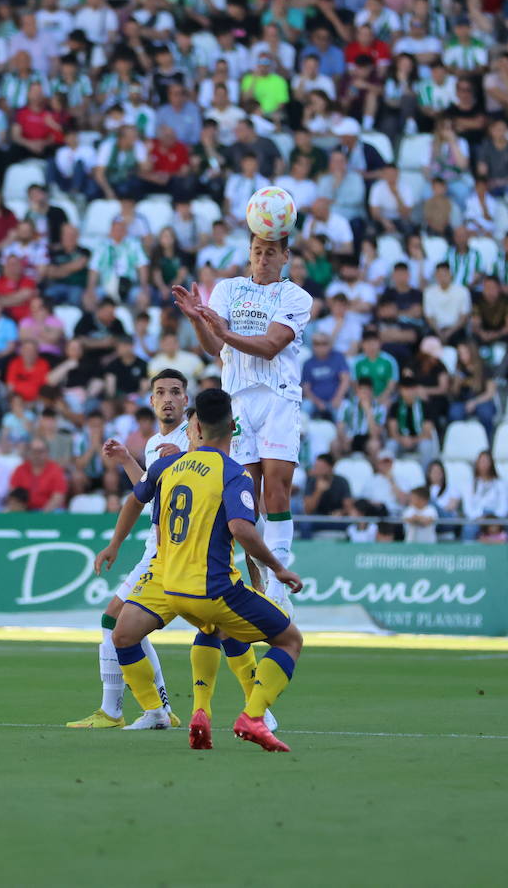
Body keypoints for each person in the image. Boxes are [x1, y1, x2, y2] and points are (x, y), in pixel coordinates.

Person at [95, 388, 304, 751]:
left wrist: (115, 543)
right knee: (287, 639)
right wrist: (278, 569)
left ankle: (196, 710)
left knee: (127, 633)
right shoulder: (235, 474)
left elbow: (136, 497)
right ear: (234, 428)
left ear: (198, 429)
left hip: (170, 582)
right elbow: (242, 529)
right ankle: (254, 714)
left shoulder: (166, 466)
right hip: (210, 583)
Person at [172, 216, 313, 619]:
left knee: (276, 491)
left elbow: (270, 346)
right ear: (249, 254)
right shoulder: (229, 289)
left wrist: (223, 331)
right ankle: (253, 583)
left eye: (271, 252)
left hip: (278, 398)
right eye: (257, 251)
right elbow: (213, 346)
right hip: (237, 402)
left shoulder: (295, 297)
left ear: (285, 256)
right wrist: (199, 321)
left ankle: (278, 588)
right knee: (244, 499)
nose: (263, 258)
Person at [66, 370, 190, 730]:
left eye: (175, 392)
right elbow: (147, 490)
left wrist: (183, 456)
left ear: (186, 399)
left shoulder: (192, 438)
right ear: (151, 401)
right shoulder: (153, 444)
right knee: (125, 625)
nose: (168, 398)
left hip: (172, 550)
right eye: (161, 393)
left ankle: (116, 710)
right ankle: (159, 708)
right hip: (155, 546)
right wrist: (125, 460)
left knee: (114, 621)